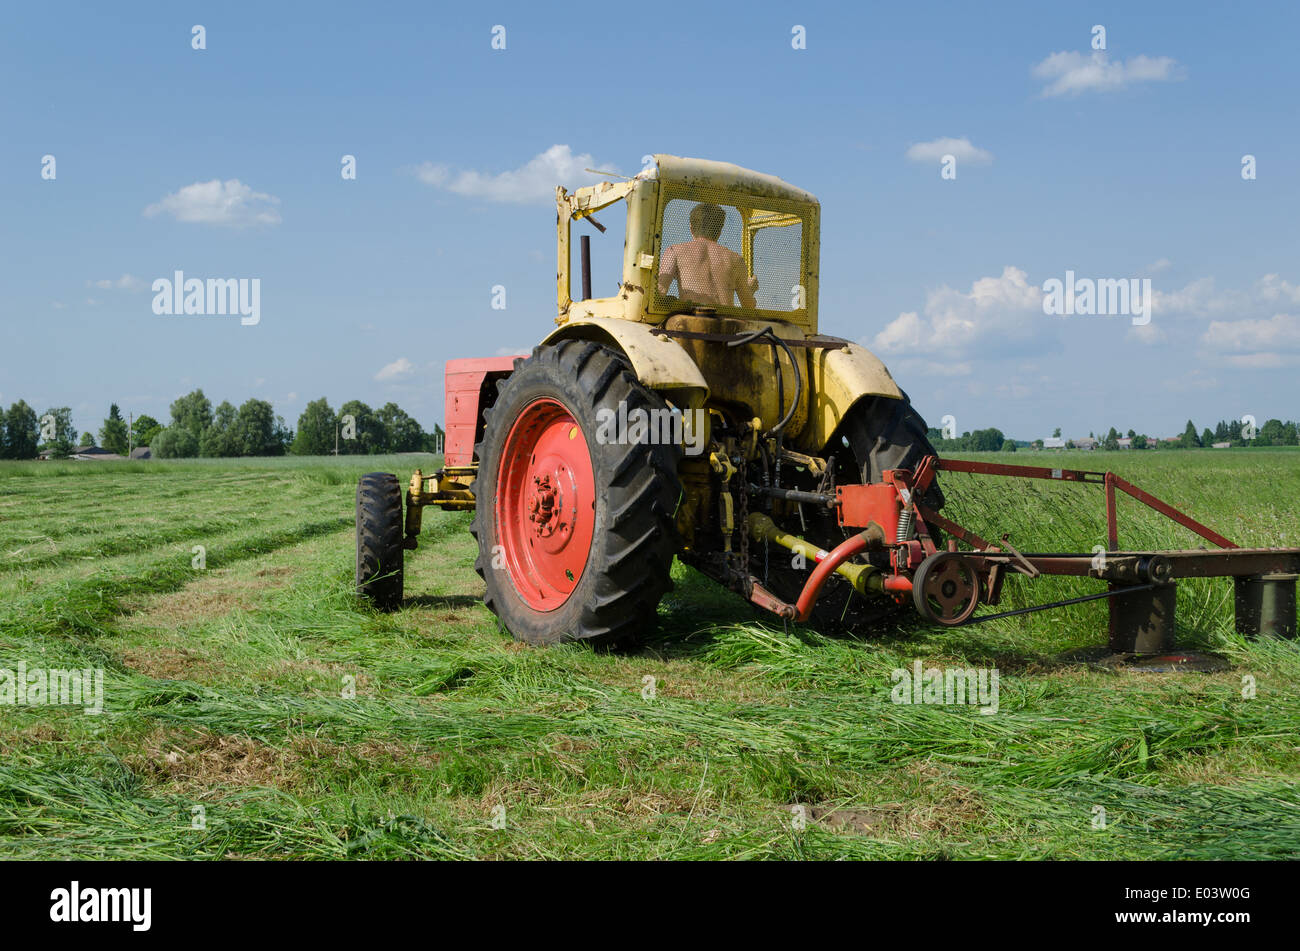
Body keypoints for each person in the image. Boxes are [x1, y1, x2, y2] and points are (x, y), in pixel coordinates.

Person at [657, 202, 758, 309]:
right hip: (726, 322)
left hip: (692, 320)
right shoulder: (736, 259)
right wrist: (750, 290)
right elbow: (748, 306)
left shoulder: (674, 251)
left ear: (691, 228)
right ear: (719, 231)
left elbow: (660, 291)